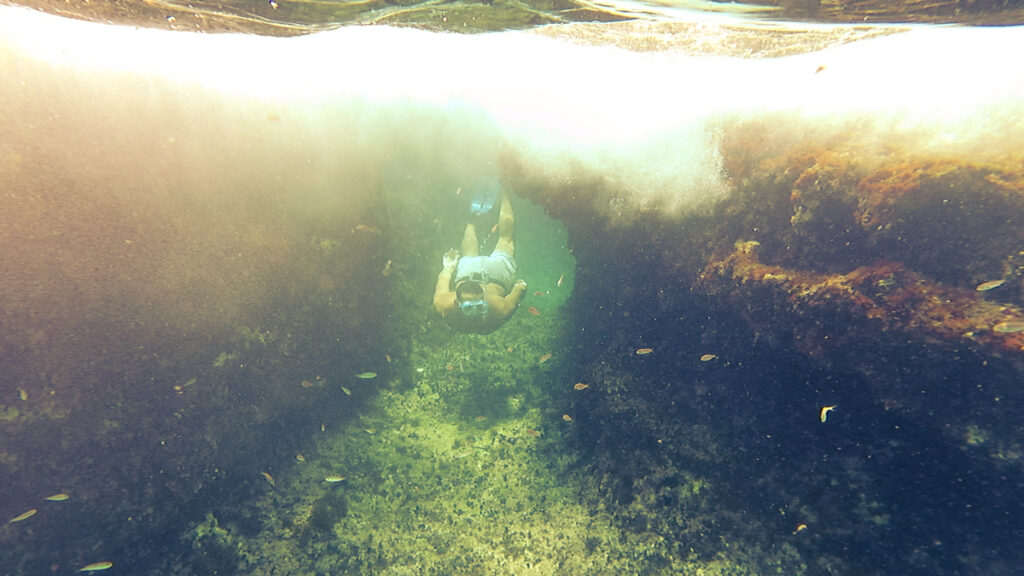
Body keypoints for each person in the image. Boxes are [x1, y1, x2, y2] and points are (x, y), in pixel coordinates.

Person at [433, 190, 527, 334]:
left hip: (494, 275)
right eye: (469, 308)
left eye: (479, 307)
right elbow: (518, 292)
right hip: (485, 273)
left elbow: (442, 281)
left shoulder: (444, 306)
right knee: (504, 239)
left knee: (503, 240)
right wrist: (520, 287)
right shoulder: (498, 310)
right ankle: (505, 192)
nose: (475, 314)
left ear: (456, 302)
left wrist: (449, 267)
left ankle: (474, 218)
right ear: (457, 304)